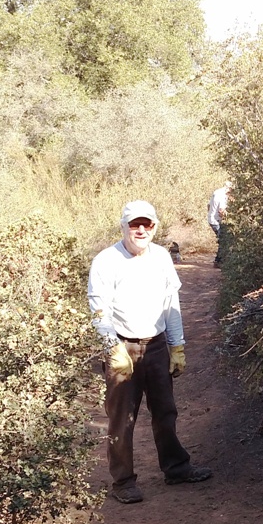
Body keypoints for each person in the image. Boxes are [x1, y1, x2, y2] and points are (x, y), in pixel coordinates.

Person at [88, 200, 212, 504]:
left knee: (165, 411)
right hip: (122, 345)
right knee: (121, 417)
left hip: (156, 345)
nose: (141, 230)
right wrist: (111, 348)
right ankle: (123, 481)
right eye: (134, 224)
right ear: (123, 227)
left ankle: (176, 468)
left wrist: (177, 345)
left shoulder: (160, 257)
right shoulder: (106, 261)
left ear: (155, 227)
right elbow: (98, 310)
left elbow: (171, 305)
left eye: (147, 224)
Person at [207, 181, 232, 268]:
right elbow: (221, 211)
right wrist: (230, 219)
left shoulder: (216, 192)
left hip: (211, 219)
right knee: (224, 240)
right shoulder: (223, 196)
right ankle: (219, 261)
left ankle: (220, 260)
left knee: (222, 239)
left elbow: (208, 206)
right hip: (216, 221)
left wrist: (211, 213)